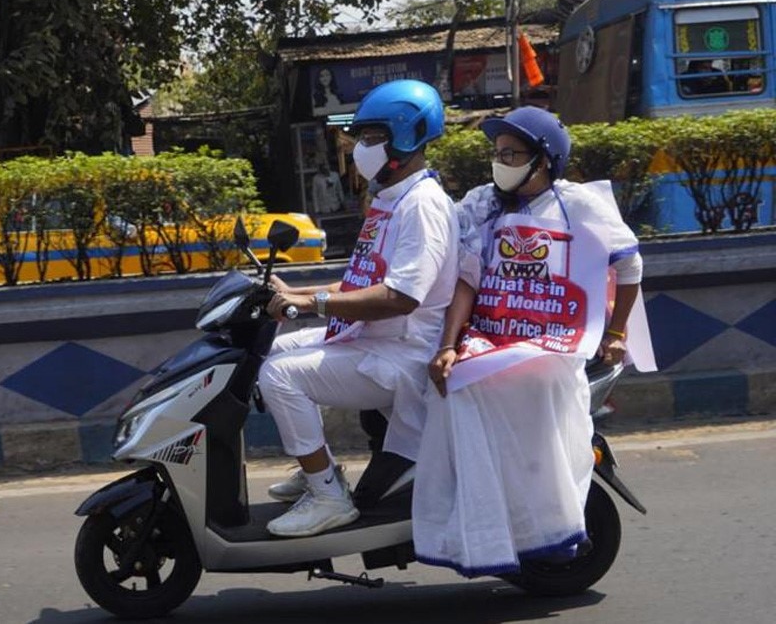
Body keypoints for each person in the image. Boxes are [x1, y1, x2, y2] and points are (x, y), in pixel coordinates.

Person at [413, 106, 654, 577]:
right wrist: (448, 344)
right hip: (491, 337)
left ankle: (547, 527)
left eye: (511, 153)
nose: (500, 160)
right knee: (451, 390)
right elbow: (465, 277)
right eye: (497, 152)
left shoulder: (578, 205)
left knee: (533, 395)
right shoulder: (482, 203)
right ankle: (478, 531)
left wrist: (618, 333)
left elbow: (630, 266)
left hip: (553, 341)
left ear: (543, 160)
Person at [258, 79, 460, 538]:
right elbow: (362, 280)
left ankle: (328, 497)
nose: (359, 148)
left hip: (404, 351)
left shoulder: (422, 206)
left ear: (406, 138)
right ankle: (320, 470)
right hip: (373, 337)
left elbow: (400, 297)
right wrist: (299, 293)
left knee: (280, 376)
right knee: (269, 353)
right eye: (361, 138)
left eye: (371, 138)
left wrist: (314, 304)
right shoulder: (391, 200)